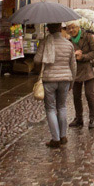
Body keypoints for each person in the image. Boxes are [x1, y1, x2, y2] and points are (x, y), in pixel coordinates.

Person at [35, 21, 77, 149]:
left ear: (48, 28)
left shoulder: (45, 42)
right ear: (60, 28)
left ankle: (55, 138)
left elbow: (36, 60)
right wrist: (72, 82)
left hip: (49, 79)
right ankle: (63, 136)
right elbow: (73, 66)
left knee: (51, 109)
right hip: (65, 79)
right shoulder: (68, 44)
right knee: (62, 107)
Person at [68, 23, 94, 129]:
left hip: (88, 70)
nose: (71, 30)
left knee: (89, 94)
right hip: (76, 71)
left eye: (73, 27)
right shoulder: (68, 41)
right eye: (69, 28)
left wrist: (83, 56)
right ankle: (79, 118)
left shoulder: (87, 37)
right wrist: (73, 55)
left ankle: (92, 118)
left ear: (78, 27)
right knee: (76, 95)